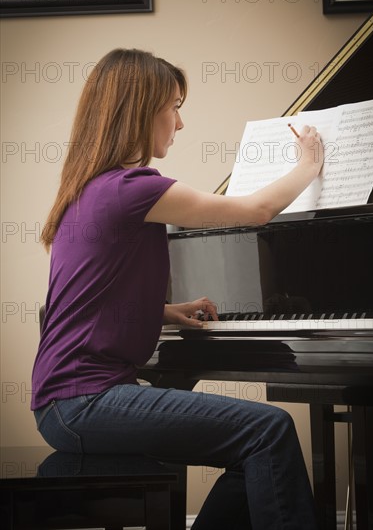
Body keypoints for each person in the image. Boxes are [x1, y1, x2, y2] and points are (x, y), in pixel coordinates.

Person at [32, 48, 324, 529]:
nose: (180, 123)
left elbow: (87, 295)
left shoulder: (88, 189)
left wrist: (167, 311)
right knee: (269, 430)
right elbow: (256, 211)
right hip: (86, 403)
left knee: (252, 447)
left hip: (65, 403)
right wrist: (307, 165)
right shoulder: (135, 188)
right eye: (173, 107)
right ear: (140, 110)